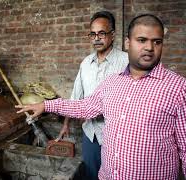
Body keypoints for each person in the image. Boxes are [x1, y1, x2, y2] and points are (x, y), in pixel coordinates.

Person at [16, 14, 186, 179]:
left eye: (157, 41)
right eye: (142, 40)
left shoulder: (180, 88)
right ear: (128, 43)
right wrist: (46, 106)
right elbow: (85, 106)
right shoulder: (112, 83)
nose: (149, 48)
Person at [56, 11, 128, 180]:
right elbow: (75, 97)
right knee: (91, 175)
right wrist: (66, 124)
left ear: (112, 35)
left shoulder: (126, 62)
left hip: (118, 135)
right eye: (93, 34)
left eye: (102, 33)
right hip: (91, 134)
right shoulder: (86, 64)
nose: (97, 38)